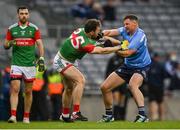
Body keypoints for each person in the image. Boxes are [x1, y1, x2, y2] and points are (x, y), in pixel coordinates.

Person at [53, 19, 127, 122]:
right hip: (62, 60)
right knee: (80, 80)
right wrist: (119, 47)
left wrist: (121, 42)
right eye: (97, 30)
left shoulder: (85, 31)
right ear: (92, 32)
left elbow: (105, 38)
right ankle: (76, 113)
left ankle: (65, 115)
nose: (99, 32)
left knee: (69, 88)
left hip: (70, 60)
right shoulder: (86, 43)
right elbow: (103, 51)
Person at [100, 14, 151, 122]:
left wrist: (112, 48)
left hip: (141, 66)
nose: (125, 26)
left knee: (133, 85)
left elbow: (127, 53)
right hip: (128, 66)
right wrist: (99, 34)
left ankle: (143, 115)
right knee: (104, 87)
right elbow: (109, 32)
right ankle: (109, 115)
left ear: (135, 24)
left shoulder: (139, 36)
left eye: (127, 24)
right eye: (124, 24)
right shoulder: (125, 30)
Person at [4, 6, 45, 123]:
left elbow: (40, 44)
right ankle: (13, 116)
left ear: (28, 15)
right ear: (18, 15)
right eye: (21, 13)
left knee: (28, 91)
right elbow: (5, 45)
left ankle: (26, 117)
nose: (24, 15)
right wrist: (11, 42)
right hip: (16, 64)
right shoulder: (12, 29)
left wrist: (41, 58)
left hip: (30, 65)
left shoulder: (34, 29)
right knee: (15, 89)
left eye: (26, 13)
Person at [105, 54, 129, 120]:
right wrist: (107, 83)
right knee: (116, 99)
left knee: (122, 101)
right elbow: (108, 71)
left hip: (124, 82)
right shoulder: (113, 59)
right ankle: (115, 117)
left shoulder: (126, 58)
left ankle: (122, 117)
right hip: (115, 82)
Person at [147, 52, 166, 121]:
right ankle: (162, 117)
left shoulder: (149, 66)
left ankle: (154, 116)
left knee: (152, 101)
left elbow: (146, 77)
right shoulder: (161, 65)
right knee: (160, 102)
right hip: (160, 87)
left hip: (151, 86)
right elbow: (165, 75)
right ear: (157, 57)